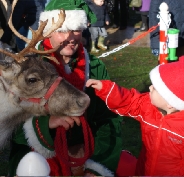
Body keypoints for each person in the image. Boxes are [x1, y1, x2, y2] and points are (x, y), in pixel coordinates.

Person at [7, 0, 137, 176]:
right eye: (61, 31)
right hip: (37, 157)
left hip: (85, 152)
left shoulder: (95, 67)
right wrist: (45, 124)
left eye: (76, 29)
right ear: (48, 32)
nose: (71, 37)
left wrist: (97, 167)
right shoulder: (28, 68)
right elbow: (11, 126)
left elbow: (108, 120)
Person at [86, 56, 184, 176]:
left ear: (170, 102)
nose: (150, 87)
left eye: (156, 88)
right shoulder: (148, 106)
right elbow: (129, 101)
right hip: (144, 170)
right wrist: (106, 89)